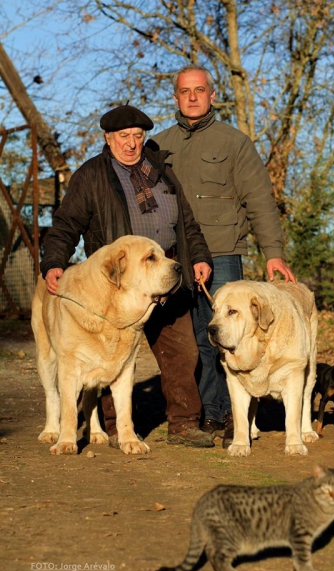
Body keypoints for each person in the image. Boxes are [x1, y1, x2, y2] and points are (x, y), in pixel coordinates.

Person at [40, 104, 215, 448]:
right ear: (108, 138)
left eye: (137, 136)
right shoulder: (92, 174)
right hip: (116, 284)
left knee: (183, 352)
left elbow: (187, 223)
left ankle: (183, 424)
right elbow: (65, 224)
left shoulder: (161, 171)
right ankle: (116, 427)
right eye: (124, 137)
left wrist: (199, 257)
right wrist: (54, 263)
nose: (132, 144)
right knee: (110, 355)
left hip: (164, 274)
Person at [149, 65, 296, 448]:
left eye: (200, 90)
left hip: (223, 252)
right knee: (192, 340)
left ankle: (234, 416)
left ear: (213, 95)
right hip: (175, 258)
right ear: (176, 97)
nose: (193, 97)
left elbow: (259, 199)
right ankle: (204, 414)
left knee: (231, 336)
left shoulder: (234, 142)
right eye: (185, 91)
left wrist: (274, 254)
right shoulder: (158, 146)